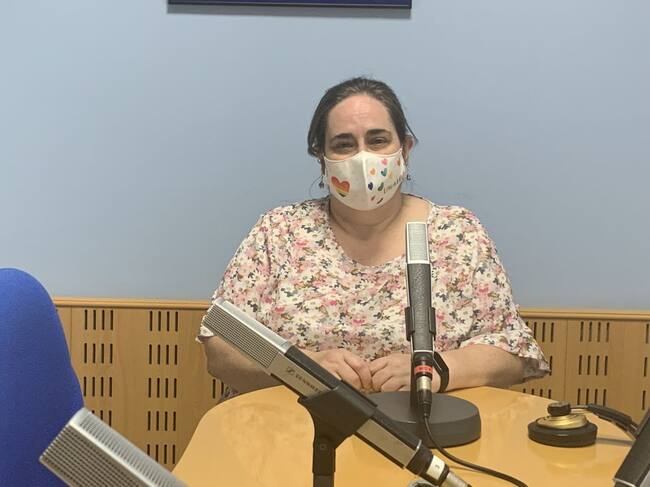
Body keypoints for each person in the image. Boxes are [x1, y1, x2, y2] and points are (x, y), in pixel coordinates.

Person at [199, 77, 549, 398]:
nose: (363, 157)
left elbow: (512, 352)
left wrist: (434, 370)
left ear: (405, 149)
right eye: (344, 144)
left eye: (378, 140)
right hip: (287, 432)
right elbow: (221, 347)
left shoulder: (458, 233)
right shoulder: (279, 232)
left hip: (425, 431)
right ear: (322, 159)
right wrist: (304, 367)